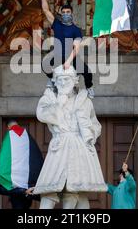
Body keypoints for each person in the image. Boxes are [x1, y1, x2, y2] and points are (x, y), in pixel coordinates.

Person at [33, 65, 107, 209]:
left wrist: (90, 134)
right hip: (59, 145)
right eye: (59, 79)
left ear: (75, 80)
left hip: (79, 147)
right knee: (49, 188)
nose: (62, 83)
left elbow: (95, 124)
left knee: (76, 190)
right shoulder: (50, 98)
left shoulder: (85, 101)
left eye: (66, 79)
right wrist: (59, 103)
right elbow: (42, 115)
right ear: (54, 81)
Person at [39, 0, 94, 99]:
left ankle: (89, 88)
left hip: (71, 57)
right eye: (63, 12)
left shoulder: (76, 29)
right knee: (45, 65)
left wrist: (68, 61)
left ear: (71, 13)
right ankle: (51, 79)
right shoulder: (57, 24)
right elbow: (46, 10)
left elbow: (76, 48)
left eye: (68, 12)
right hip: (58, 55)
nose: (65, 14)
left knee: (88, 72)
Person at [0, 118, 42, 209]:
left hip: (15, 186)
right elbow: (37, 156)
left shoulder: (9, 135)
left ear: (8, 127)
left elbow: (3, 156)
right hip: (28, 184)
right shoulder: (28, 136)